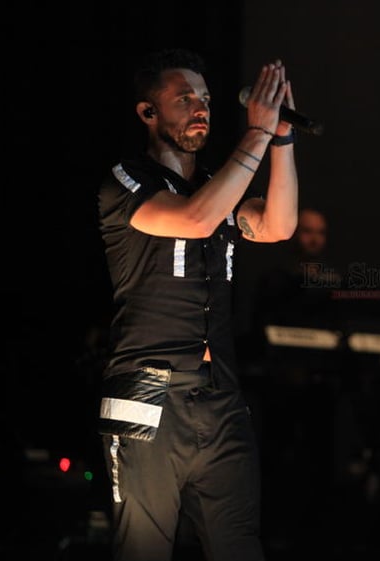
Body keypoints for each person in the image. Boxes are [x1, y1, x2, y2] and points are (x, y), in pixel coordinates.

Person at [96, 47, 299, 561]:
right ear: (149, 113)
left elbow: (278, 225)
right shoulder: (127, 180)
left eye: (205, 98)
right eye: (184, 99)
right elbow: (193, 220)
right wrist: (255, 134)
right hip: (148, 389)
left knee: (238, 545)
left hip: (220, 392)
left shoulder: (216, 185)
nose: (201, 107)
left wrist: (281, 138)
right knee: (142, 549)